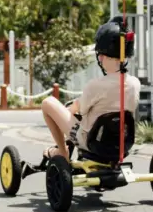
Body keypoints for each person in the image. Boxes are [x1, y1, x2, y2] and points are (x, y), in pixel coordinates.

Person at [38, 16, 141, 162]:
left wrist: (68, 112)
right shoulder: (135, 84)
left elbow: (80, 110)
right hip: (123, 145)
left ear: (102, 57)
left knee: (48, 102)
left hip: (92, 142)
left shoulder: (96, 85)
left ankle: (62, 152)